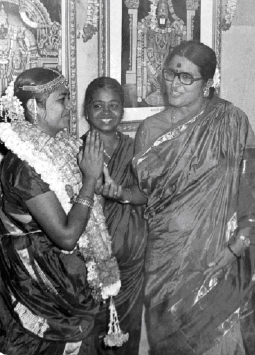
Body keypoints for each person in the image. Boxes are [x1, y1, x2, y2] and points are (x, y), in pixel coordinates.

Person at [102, 41, 255, 354]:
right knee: (171, 341)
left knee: (224, 337)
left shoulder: (231, 121)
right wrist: (120, 194)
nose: (175, 84)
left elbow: (252, 191)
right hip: (165, 257)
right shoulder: (149, 129)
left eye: (187, 77)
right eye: (171, 74)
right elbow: (147, 195)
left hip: (217, 253)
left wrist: (236, 246)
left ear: (208, 84)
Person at [0, 67, 118, 355]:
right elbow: (67, 237)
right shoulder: (25, 166)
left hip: (66, 280)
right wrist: (89, 180)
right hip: (41, 290)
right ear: (35, 107)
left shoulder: (59, 147)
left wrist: (94, 184)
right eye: (62, 99)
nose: (71, 108)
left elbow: (82, 213)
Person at [82, 76, 147, 355]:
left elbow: (148, 194)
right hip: (90, 261)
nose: (106, 113)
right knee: (90, 333)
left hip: (131, 260)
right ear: (86, 111)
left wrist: (120, 192)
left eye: (114, 105)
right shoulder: (76, 151)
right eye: (98, 106)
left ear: (123, 109)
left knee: (126, 335)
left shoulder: (136, 149)